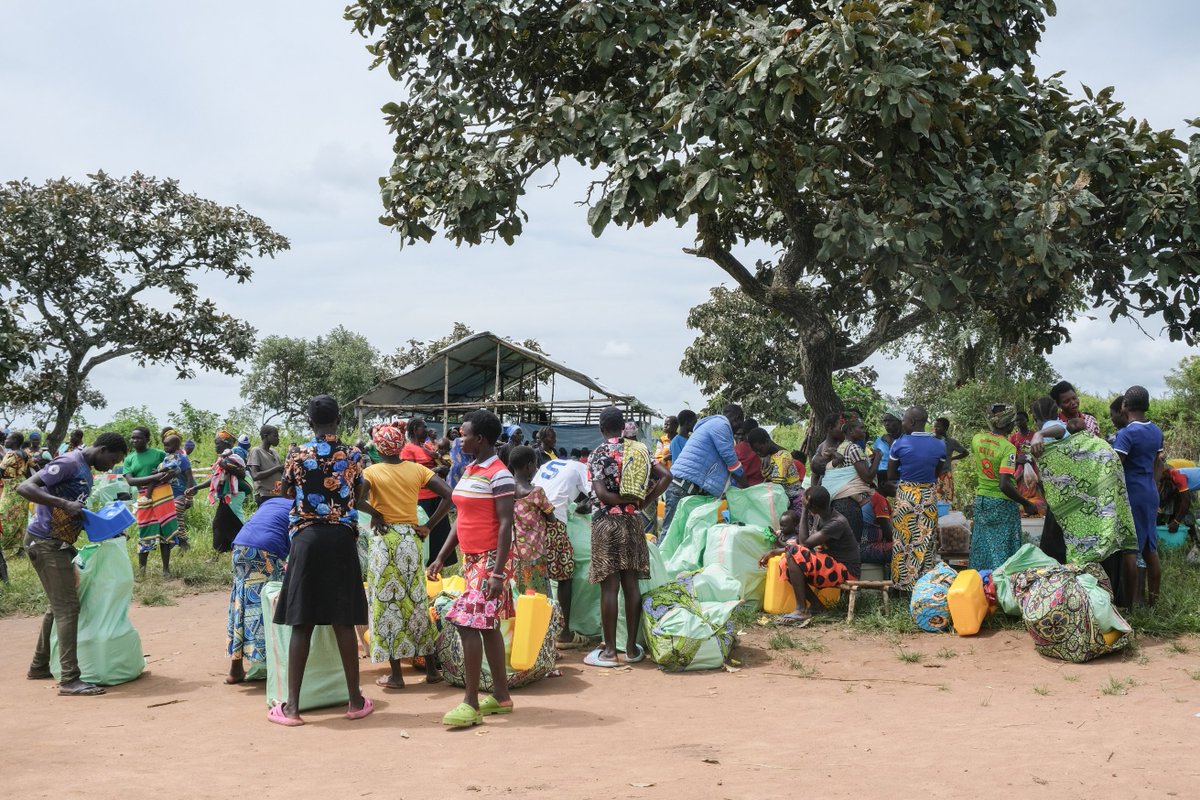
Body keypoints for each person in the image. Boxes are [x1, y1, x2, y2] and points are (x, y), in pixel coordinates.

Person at [268, 395, 372, 726]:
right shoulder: (353, 455)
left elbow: (284, 492)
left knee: (302, 622)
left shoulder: (297, 454)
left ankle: (292, 709)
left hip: (307, 540)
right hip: (341, 539)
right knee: (343, 620)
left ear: (310, 422)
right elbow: (360, 490)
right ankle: (355, 701)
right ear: (338, 420)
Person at [19, 432, 128, 696]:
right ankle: (69, 679)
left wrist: (105, 526)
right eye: (112, 460)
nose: (111, 466)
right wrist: (63, 503)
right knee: (67, 607)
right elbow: (25, 488)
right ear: (102, 449)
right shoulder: (69, 462)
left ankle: (39, 665)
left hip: (59, 542)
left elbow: (74, 509)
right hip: (45, 542)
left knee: (57, 605)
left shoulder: (85, 470)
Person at [427, 409, 516, 728]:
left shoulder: (500, 474)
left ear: (479, 439)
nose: (459, 439)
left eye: (463, 434)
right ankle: (501, 697)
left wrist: (498, 572)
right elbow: (461, 517)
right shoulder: (469, 470)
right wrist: (441, 556)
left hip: (491, 559)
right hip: (472, 560)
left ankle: (471, 703)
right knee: (486, 626)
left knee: (468, 623)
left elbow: (506, 524)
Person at [358, 423, 454, 689]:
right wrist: (429, 525)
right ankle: (432, 670)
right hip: (411, 540)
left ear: (378, 449)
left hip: (385, 540)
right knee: (417, 602)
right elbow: (449, 495)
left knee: (387, 603)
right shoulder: (417, 470)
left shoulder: (371, 472)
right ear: (401, 446)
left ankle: (396, 676)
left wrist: (376, 513)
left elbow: (355, 499)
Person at [1029, 396, 1138, 606]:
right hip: (1085, 496)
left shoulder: (1052, 428)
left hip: (1073, 500)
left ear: (1035, 418)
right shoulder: (1068, 431)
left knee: (1059, 551)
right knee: (1100, 540)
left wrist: (1038, 434)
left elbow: (1059, 430)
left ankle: (1063, 600)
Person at [583, 407, 671, 667]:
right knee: (631, 585)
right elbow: (666, 476)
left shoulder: (597, 454)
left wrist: (619, 500)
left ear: (601, 428)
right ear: (623, 427)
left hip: (605, 524)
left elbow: (601, 494)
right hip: (632, 522)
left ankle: (610, 652)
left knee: (609, 588)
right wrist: (643, 501)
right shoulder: (640, 450)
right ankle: (632, 649)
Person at [757, 486, 860, 626]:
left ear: (813, 506)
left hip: (846, 571)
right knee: (787, 562)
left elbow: (804, 544)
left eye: (805, 502)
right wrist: (774, 552)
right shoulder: (819, 517)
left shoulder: (837, 522)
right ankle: (816, 606)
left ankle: (801, 609)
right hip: (831, 565)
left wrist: (804, 510)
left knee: (793, 553)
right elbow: (803, 543)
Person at [225, 496, 291, 684]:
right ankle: (271, 664)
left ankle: (235, 669)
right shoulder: (300, 509)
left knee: (240, 603)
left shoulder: (271, 502)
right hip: (266, 552)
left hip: (239, 548)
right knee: (269, 605)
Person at [532, 449, 591, 647]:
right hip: (554, 520)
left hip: (529, 520)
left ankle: (537, 631)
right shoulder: (581, 468)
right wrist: (585, 507)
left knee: (536, 574)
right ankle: (564, 633)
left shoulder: (548, 464)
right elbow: (594, 494)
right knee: (564, 575)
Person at [969, 404, 1039, 571]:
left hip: (982, 500)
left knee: (982, 544)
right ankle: (1001, 581)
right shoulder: (1008, 448)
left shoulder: (977, 439)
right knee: (1003, 547)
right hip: (1002, 504)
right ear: (1009, 425)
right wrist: (1026, 503)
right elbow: (1004, 484)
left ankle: (980, 580)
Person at [1113, 386, 1164, 606]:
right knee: (1150, 548)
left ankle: (1129, 606)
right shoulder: (1156, 431)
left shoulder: (1126, 434)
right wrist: (1154, 484)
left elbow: (1115, 468)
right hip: (1150, 491)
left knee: (1130, 550)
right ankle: (1153, 603)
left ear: (1125, 405)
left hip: (1132, 493)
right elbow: (1158, 463)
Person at [887, 407, 945, 591]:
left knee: (903, 539)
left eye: (904, 419)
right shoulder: (939, 445)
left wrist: (908, 475)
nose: (902, 423)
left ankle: (901, 585)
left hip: (906, 496)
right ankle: (923, 587)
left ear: (912, 422)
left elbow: (890, 474)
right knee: (926, 540)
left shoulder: (899, 443)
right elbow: (936, 473)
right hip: (928, 497)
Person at [663, 404, 745, 529]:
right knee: (671, 531)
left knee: (684, 532)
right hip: (684, 487)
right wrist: (746, 486)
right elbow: (730, 458)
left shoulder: (712, 425)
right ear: (737, 419)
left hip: (686, 487)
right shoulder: (721, 425)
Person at [123, 426, 181, 578]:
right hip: (144, 497)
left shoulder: (158, 453)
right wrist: (154, 477)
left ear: (147, 439)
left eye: (139, 438)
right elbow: (130, 481)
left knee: (164, 530)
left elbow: (176, 469)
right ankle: (142, 570)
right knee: (144, 530)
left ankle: (166, 569)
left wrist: (168, 475)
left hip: (163, 494)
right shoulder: (129, 459)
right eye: (133, 437)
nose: (135, 440)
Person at [401, 418, 455, 569]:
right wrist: (435, 471)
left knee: (438, 537)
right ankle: (423, 568)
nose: (426, 430)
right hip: (421, 499)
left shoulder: (426, 447)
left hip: (437, 497)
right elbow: (410, 475)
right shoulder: (408, 449)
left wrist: (443, 470)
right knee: (424, 538)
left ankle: (438, 568)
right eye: (423, 427)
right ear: (414, 429)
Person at [810, 416, 873, 545]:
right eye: (840, 426)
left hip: (836, 496)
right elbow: (817, 474)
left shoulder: (840, 447)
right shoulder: (828, 448)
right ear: (830, 428)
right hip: (840, 497)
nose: (842, 429)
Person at [186, 432, 249, 554]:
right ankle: (235, 550)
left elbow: (241, 473)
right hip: (227, 496)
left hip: (232, 496)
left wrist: (225, 465)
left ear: (226, 443)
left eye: (217, 443)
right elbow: (214, 478)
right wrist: (196, 487)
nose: (215, 446)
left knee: (221, 524)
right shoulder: (223, 458)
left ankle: (233, 550)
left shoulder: (233, 456)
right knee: (227, 524)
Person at [508, 445, 559, 595]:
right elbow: (552, 518)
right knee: (539, 591)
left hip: (516, 550)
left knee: (520, 588)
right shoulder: (536, 492)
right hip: (536, 550)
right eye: (535, 464)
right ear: (529, 466)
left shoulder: (507, 489)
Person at [748, 427, 803, 507]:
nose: (758, 453)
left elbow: (776, 484)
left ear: (767, 441)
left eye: (760, 449)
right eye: (756, 451)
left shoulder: (783, 456)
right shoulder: (769, 457)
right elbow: (768, 480)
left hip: (794, 499)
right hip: (783, 498)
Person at [161, 431, 194, 554]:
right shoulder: (166, 459)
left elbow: (189, 477)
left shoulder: (182, 459)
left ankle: (183, 542)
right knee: (171, 519)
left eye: (167, 445)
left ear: (176, 446)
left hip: (180, 494)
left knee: (177, 518)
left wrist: (189, 497)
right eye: (164, 445)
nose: (165, 447)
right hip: (168, 494)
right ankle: (175, 542)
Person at [1008, 410, 1045, 517]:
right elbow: (1009, 456)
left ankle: (1037, 510)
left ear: (1027, 420)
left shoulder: (1034, 435)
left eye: (1021, 419)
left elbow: (1041, 451)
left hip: (1034, 467)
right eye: (1016, 420)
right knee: (1020, 490)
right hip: (1019, 469)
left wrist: (1032, 459)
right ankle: (1023, 509)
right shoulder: (1013, 438)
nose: (1019, 422)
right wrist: (1018, 460)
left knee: (1037, 487)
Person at [0, 432, 31, 556]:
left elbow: (1, 471)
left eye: (8, 439)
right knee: (21, 517)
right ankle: (20, 549)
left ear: (15, 440)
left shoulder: (11, 454)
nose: (5, 441)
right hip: (23, 485)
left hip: (11, 487)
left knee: (3, 515)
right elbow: (30, 471)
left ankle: (3, 545)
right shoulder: (26, 454)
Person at [932, 417, 968, 505]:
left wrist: (953, 458)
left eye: (938, 427)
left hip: (945, 475)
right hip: (932, 475)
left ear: (945, 428)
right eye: (934, 426)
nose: (935, 429)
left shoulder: (951, 442)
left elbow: (965, 453)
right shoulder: (931, 440)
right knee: (932, 502)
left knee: (946, 502)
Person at [247, 424, 285, 504]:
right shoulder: (256, 451)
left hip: (276, 493)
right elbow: (255, 475)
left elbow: (279, 474)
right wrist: (278, 468)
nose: (277, 438)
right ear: (266, 436)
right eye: (275, 436)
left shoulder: (274, 452)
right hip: (264, 495)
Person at [870, 411, 903, 492]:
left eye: (890, 420)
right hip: (879, 477)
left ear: (899, 422)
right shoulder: (880, 440)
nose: (886, 424)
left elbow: (901, 458)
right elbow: (874, 458)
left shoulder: (906, 439)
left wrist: (890, 441)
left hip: (897, 475)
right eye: (884, 421)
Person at [859, 490, 894, 566]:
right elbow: (889, 535)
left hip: (861, 548)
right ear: (883, 484)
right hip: (866, 549)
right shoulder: (878, 498)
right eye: (894, 484)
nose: (897, 486)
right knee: (904, 548)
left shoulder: (869, 496)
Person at [734, 418, 764, 486]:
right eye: (738, 434)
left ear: (745, 433)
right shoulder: (764, 446)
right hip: (763, 485)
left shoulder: (736, 449)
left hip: (744, 487)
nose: (740, 437)